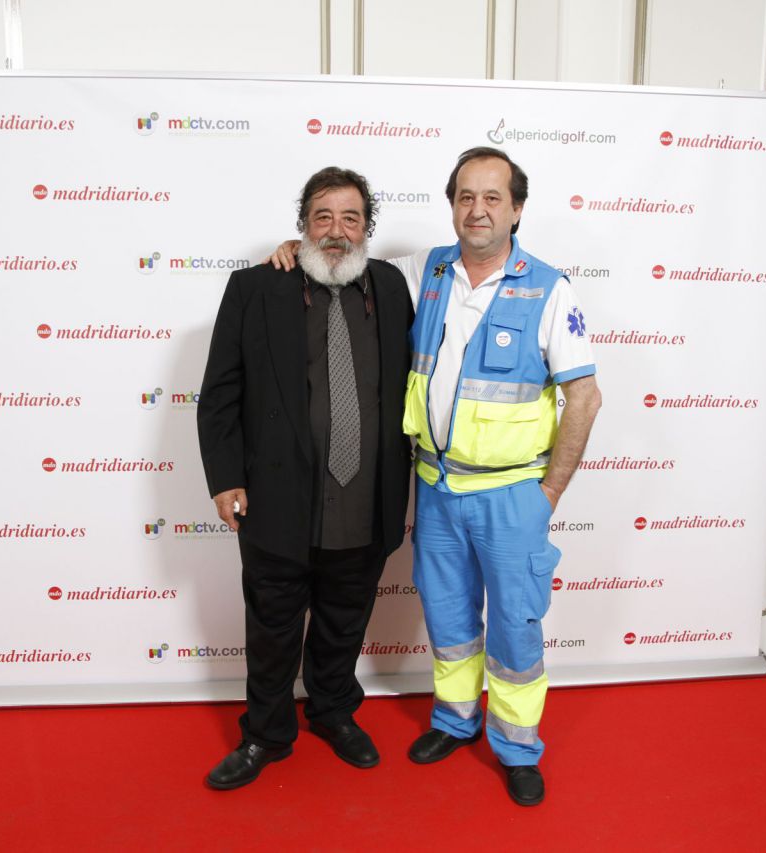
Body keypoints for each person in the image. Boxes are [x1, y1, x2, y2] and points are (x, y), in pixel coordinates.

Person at [268, 147, 601, 805]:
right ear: (452, 205)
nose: (477, 210)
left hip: (512, 494)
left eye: (493, 197)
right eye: (465, 197)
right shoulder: (428, 271)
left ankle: (516, 746)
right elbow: (340, 260)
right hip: (439, 489)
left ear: (517, 209)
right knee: (448, 618)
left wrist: (549, 495)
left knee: (515, 626)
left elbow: (584, 398)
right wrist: (297, 243)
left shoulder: (550, 287)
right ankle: (454, 720)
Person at [196, 166, 414, 790]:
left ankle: (334, 711)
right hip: (277, 498)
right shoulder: (254, 289)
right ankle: (266, 733)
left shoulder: (395, 285)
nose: (337, 231)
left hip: (367, 497)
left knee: (346, 619)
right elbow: (219, 395)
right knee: (273, 626)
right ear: (302, 225)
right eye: (323, 217)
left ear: (368, 227)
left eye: (350, 218)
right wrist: (224, 478)